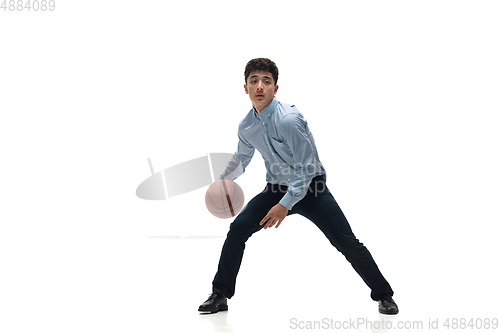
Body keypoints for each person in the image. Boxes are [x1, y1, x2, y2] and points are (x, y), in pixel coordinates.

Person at [198, 58, 398, 315]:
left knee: (345, 242)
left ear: (275, 88)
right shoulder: (246, 125)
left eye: (266, 81)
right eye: (254, 81)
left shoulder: (289, 120)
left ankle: (384, 295)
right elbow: (242, 157)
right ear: (245, 88)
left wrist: (284, 205)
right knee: (237, 230)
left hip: (311, 188)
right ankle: (220, 294)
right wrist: (224, 181)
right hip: (276, 188)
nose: (260, 86)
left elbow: (307, 167)